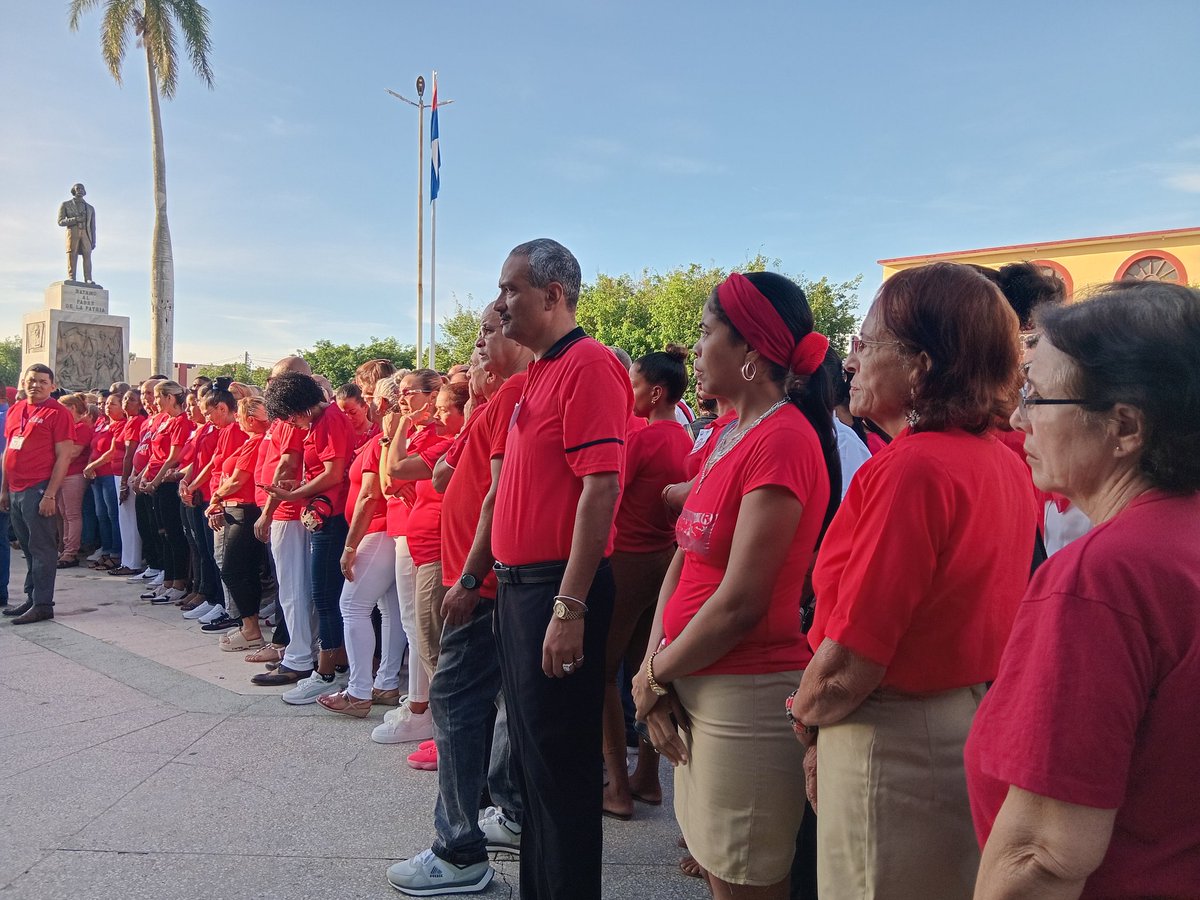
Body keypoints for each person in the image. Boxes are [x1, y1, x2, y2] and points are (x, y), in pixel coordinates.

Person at [791, 262, 1035, 900]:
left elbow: (855, 655)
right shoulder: (1000, 461)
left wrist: (805, 716)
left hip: (889, 737)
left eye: (867, 345)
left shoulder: (912, 469)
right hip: (959, 720)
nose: (852, 361)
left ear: (922, 366)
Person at [967, 281, 1200, 898]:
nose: (1019, 418)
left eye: (1037, 396)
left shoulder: (1103, 576)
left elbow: (1042, 855)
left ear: (1124, 427)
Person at [628, 273, 839, 900]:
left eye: (705, 332)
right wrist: (652, 668)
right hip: (694, 678)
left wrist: (655, 674)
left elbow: (743, 602)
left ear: (750, 353)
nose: (693, 348)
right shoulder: (727, 434)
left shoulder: (782, 440)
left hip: (745, 690)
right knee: (721, 871)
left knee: (742, 881)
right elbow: (686, 560)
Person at [491, 238, 631, 900]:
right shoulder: (541, 371)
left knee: (563, 775)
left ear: (552, 295)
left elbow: (600, 488)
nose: (500, 302)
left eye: (511, 289)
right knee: (534, 769)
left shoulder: (590, 365)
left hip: (556, 589)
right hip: (523, 590)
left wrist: (569, 606)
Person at [386, 303, 529, 896]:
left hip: (487, 580)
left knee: (455, 698)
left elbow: (497, 491)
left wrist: (470, 578)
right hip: (483, 575)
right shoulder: (494, 404)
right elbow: (445, 475)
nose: (473, 353)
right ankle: (512, 811)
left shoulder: (516, 393)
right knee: (493, 702)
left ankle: (459, 849)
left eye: (483, 337)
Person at [602, 345, 693, 821]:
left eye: (633, 384)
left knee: (602, 672)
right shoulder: (689, 438)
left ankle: (616, 783)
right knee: (646, 667)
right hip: (664, 562)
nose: (628, 393)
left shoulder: (641, 439)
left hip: (629, 562)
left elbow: (608, 497)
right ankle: (648, 776)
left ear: (655, 392)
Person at [262, 371, 356, 704]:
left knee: (325, 597)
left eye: (289, 415)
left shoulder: (329, 419)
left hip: (332, 516)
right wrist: (297, 490)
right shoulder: (319, 422)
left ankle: (327, 671)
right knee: (327, 597)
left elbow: (333, 473)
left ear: (300, 405)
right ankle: (336, 665)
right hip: (323, 513)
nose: (289, 422)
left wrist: (294, 494)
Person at [316, 382, 400, 718]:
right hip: (387, 530)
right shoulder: (386, 439)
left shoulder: (384, 439)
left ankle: (359, 691)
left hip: (378, 530)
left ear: (379, 402)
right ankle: (385, 682)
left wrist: (350, 546)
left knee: (351, 605)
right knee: (390, 610)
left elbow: (369, 496)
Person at [251, 357, 316, 688]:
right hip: (283, 510)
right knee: (292, 587)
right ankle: (301, 650)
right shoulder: (283, 418)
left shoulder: (291, 420)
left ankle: (300, 656)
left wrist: (267, 511)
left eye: (275, 380)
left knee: (293, 589)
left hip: (288, 513)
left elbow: (287, 468)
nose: (269, 386)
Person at [1, 365, 76, 623]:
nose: (36, 385)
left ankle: (43, 603)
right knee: (27, 547)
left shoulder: (58, 413)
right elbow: (9, 452)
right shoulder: (16, 410)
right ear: (24, 382)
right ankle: (32, 597)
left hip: (39, 487)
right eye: (31, 380)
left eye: (43, 381)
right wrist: (4, 490)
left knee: (42, 547)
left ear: (52, 386)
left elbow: (64, 456)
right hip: (15, 488)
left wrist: (50, 495)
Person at [206, 397, 269, 650]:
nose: (239, 421)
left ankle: (251, 627)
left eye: (241, 416)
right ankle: (249, 626)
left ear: (250, 419)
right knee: (243, 570)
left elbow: (239, 479)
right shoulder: (252, 442)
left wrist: (217, 496)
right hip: (237, 507)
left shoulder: (255, 444)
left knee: (233, 569)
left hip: (244, 508)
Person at [137, 381, 193, 604]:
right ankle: (168, 580)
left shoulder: (180, 422)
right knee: (162, 533)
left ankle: (178, 582)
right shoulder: (163, 421)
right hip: (156, 481)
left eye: (159, 396)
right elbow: (153, 453)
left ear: (170, 397)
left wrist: (155, 480)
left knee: (173, 534)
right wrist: (143, 475)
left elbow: (173, 457)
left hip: (167, 484)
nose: (154, 401)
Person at [83, 390, 127, 571]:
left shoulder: (121, 425)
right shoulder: (102, 422)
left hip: (110, 473)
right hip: (96, 475)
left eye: (112, 404)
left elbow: (112, 452)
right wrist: (89, 466)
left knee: (112, 515)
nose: (106, 407)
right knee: (101, 515)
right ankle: (107, 550)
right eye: (105, 404)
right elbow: (92, 447)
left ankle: (117, 553)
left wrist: (92, 465)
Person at [55, 393, 94, 567]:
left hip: (74, 474)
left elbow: (73, 453)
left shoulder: (82, 428)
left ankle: (71, 552)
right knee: (64, 513)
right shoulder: (68, 427)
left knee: (72, 514)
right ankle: (65, 548)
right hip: (63, 473)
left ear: (72, 408)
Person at [58, 183, 97, 284]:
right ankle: (72, 277)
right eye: (77, 188)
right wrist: (75, 219)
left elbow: (93, 227)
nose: (80, 190)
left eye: (82, 189)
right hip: (73, 232)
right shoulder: (66, 204)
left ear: (84, 192)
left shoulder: (90, 208)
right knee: (72, 254)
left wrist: (93, 240)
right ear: (74, 191)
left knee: (87, 255)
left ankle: (88, 279)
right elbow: (60, 222)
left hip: (86, 234)